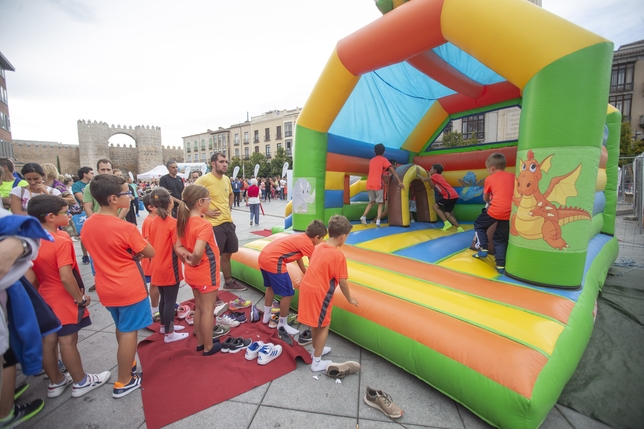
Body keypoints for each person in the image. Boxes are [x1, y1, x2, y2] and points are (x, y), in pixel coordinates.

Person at [26, 195, 111, 398]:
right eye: (65, 212)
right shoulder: (60, 240)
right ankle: (81, 381)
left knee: (48, 343)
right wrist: (79, 299)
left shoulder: (28, 241)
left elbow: (30, 276)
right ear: (50, 217)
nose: (70, 215)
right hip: (63, 298)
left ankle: (56, 381)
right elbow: (66, 276)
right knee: (67, 342)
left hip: (43, 295)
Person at [80, 174, 155, 398]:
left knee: (121, 326)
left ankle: (128, 361)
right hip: (129, 286)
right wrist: (136, 253)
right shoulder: (126, 227)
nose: (130, 195)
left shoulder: (89, 224)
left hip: (106, 286)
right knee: (130, 331)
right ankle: (124, 380)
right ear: (113, 198)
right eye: (126, 192)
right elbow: (150, 251)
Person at [297, 215, 359, 372]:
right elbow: (343, 282)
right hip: (320, 293)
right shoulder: (338, 255)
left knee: (315, 322)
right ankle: (316, 363)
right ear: (343, 237)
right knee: (324, 324)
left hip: (307, 287)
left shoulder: (319, 247)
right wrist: (350, 299)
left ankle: (315, 350)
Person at [174, 185, 224, 356]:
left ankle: (202, 342)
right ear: (200, 202)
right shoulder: (203, 224)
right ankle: (209, 347)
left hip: (193, 274)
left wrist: (188, 260)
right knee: (208, 310)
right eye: (208, 199)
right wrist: (194, 260)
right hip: (205, 272)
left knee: (199, 308)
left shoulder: (183, 221)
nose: (210, 201)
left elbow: (178, 247)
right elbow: (198, 252)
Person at [258, 220, 327, 338]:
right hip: (274, 261)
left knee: (270, 287)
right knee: (289, 293)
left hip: (263, 257)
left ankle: (266, 316)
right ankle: (282, 324)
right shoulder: (308, 244)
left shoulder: (300, 237)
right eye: (321, 239)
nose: (321, 241)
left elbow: (298, 258)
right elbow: (314, 262)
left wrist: (305, 273)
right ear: (316, 237)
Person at [195, 153, 246, 291]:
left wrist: (229, 207)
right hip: (213, 225)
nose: (225, 164)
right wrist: (205, 211)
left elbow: (230, 194)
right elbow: (188, 196)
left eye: (226, 162)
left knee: (228, 253)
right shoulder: (204, 179)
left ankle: (228, 282)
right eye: (221, 161)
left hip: (228, 222)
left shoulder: (226, 179)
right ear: (213, 164)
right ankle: (211, 288)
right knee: (213, 258)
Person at [148, 188, 188, 344]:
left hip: (157, 265)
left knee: (164, 299)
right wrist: (188, 263)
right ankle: (169, 333)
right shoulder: (173, 223)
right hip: (169, 267)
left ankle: (165, 326)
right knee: (170, 300)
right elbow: (177, 248)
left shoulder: (153, 222)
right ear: (171, 202)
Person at [472, 153, 515, 274]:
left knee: (479, 225)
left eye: (487, 169)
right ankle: (500, 265)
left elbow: (485, 198)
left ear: (492, 168)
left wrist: (489, 200)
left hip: (495, 210)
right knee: (501, 238)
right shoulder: (513, 176)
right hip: (510, 213)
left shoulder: (490, 179)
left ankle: (483, 247)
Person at [360, 144, 404, 227]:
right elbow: (393, 171)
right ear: (383, 152)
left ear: (374, 151)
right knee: (380, 203)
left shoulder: (372, 160)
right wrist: (399, 181)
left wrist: (386, 175)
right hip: (378, 183)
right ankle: (378, 221)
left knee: (372, 201)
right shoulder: (384, 159)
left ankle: (363, 216)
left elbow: (377, 172)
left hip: (370, 183)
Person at [417, 164, 464, 232]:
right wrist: (430, 176)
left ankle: (446, 223)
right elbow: (432, 187)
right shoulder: (436, 177)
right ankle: (459, 228)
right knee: (447, 213)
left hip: (449, 195)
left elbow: (424, 180)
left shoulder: (436, 176)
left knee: (435, 207)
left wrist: (418, 174)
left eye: (431, 169)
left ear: (435, 170)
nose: (430, 170)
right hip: (454, 195)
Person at [140, 194, 160, 322]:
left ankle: (158, 305)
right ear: (151, 207)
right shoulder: (150, 221)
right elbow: (148, 242)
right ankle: (154, 309)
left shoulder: (155, 219)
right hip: (153, 259)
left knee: (159, 283)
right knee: (155, 284)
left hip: (157, 257)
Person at [72, 167, 93, 264]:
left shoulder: (93, 184)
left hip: (93, 210)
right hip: (82, 213)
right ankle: (85, 255)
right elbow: (81, 198)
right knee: (83, 235)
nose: (93, 175)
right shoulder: (77, 185)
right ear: (85, 174)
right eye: (91, 173)